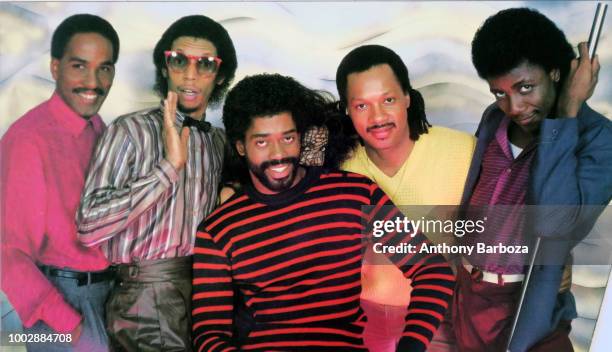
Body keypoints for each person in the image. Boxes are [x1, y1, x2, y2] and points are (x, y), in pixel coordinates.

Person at [192, 73, 455, 351]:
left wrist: (411, 345)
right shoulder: (218, 230)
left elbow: (434, 272)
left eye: (288, 138)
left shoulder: (356, 194)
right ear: (240, 146)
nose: (279, 153)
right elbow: (209, 334)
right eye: (262, 142)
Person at [76, 15, 237, 351]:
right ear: (164, 67)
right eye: (178, 61)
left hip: (206, 292)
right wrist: (169, 167)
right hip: (145, 297)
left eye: (205, 64)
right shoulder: (131, 131)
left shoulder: (218, 141)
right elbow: (89, 226)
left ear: (219, 75)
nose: (189, 75)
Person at [454, 8, 611, 352]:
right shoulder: (494, 118)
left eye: (526, 87)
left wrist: (567, 112)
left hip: (529, 307)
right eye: (500, 92)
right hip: (468, 299)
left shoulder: (599, 139)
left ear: (556, 73)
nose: (514, 106)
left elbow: (555, 222)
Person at [336, 44, 475, 351]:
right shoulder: (341, 167)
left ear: (408, 97)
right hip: (362, 322)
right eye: (361, 106)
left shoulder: (463, 151)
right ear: (346, 109)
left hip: (440, 319)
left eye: (388, 100)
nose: (378, 117)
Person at [0, 14, 119, 351]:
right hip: (60, 312)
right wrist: (73, 328)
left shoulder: (100, 128)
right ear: (55, 68)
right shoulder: (27, 140)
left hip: (106, 299)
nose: (93, 82)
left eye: (104, 68)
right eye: (79, 66)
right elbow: (8, 256)